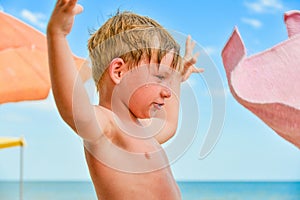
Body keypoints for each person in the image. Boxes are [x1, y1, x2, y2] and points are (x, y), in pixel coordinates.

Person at [47, 0, 203, 199]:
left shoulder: (143, 130)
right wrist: (57, 35)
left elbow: (169, 124)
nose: (167, 92)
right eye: (159, 77)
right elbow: (74, 110)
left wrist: (176, 79)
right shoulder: (107, 125)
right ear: (119, 72)